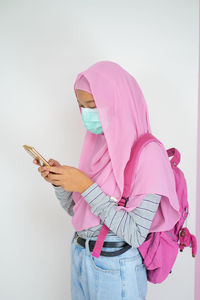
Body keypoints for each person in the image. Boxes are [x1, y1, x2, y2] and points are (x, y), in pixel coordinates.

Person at [33, 61, 180, 300]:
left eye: (92, 105)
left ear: (119, 103)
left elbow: (134, 234)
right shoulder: (98, 146)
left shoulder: (149, 154)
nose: (86, 114)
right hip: (81, 256)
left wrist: (85, 186)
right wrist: (60, 183)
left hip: (115, 267)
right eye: (81, 106)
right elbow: (78, 212)